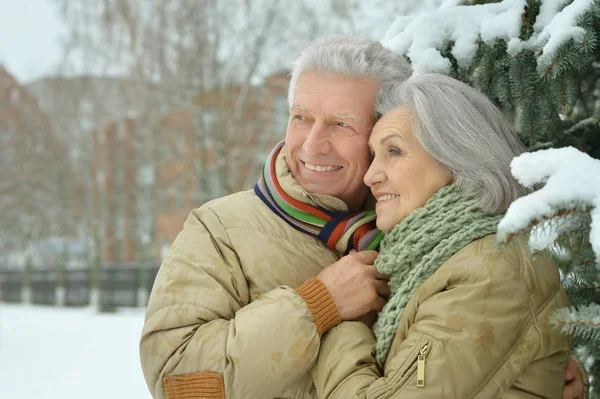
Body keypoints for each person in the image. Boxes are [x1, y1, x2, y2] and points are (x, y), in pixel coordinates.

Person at [139, 36, 586, 399]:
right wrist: (317, 306)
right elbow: (178, 385)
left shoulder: (435, 237)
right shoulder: (220, 231)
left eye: (341, 124)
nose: (313, 144)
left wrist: (525, 370)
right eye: (301, 118)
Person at [309, 73, 579, 398]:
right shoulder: (437, 262)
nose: (370, 175)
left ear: (455, 158)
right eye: (373, 155)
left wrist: (342, 320)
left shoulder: (490, 273)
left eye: (393, 151)